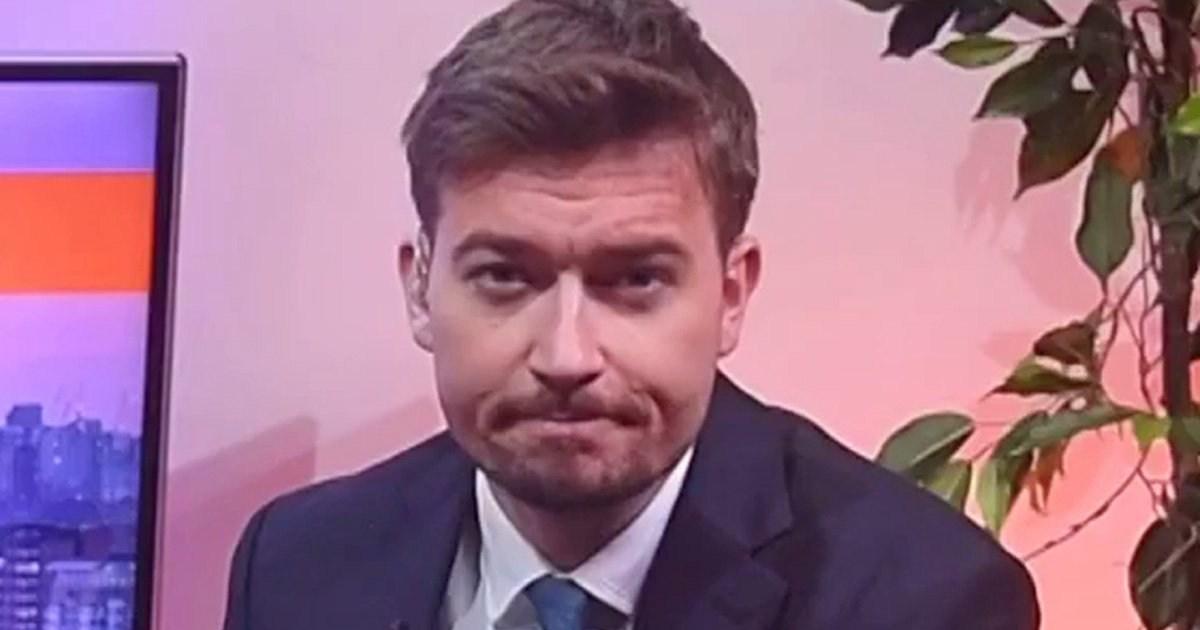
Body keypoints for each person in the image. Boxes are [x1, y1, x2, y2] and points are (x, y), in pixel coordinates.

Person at [222, 0, 1040, 628]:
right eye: (504, 277)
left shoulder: (923, 602)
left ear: (731, 295)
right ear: (420, 288)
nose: (567, 355)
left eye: (636, 280)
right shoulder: (296, 569)